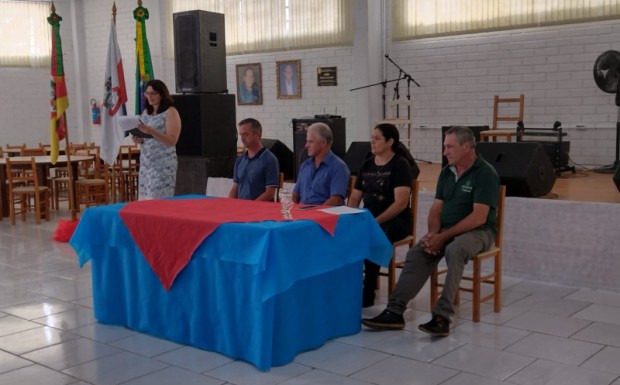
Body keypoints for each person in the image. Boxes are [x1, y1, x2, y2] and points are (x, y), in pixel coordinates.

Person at [362, 126, 499, 337]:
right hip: (446, 230)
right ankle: (394, 311)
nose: (445, 152)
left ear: (467, 146)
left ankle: (442, 316)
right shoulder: (446, 172)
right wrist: (433, 235)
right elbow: (436, 209)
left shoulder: (485, 172)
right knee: (417, 253)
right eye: (444, 146)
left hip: (479, 231)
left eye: (449, 146)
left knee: (455, 249)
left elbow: (478, 217)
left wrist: (443, 237)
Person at [348, 123, 414, 308]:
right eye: (372, 137)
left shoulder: (400, 165)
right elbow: (354, 197)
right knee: (344, 232)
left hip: (395, 219)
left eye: (377, 138)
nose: (372, 141)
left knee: (374, 235)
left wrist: (374, 222)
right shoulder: (367, 164)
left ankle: (368, 289)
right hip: (369, 217)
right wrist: (351, 218)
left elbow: (400, 203)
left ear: (390, 141)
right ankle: (348, 284)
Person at [132, 79, 181, 200]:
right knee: (144, 200)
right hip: (146, 164)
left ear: (162, 94)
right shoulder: (145, 113)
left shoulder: (170, 112)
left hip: (162, 165)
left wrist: (152, 131)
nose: (149, 96)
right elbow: (147, 139)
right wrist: (139, 140)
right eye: (147, 93)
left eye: (153, 93)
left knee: (157, 200)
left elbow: (172, 140)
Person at [293, 122, 350, 206]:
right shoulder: (305, 165)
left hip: (325, 216)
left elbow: (336, 200)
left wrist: (316, 213)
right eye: (307, 141)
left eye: (310, 141)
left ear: (323, 143)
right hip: (303, 214)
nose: (306, 145)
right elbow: (295, 194)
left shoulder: (338, 167)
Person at [229, 118, 280, 201]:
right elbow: (235, 188)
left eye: (245, 134)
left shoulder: (269, 160)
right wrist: (230, 204)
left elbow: (270, 193)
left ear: (257, 134)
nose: (242, 138)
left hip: (260, 210)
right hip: (241, 208)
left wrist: (251, 206)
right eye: (240, 135)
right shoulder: (239, 160)